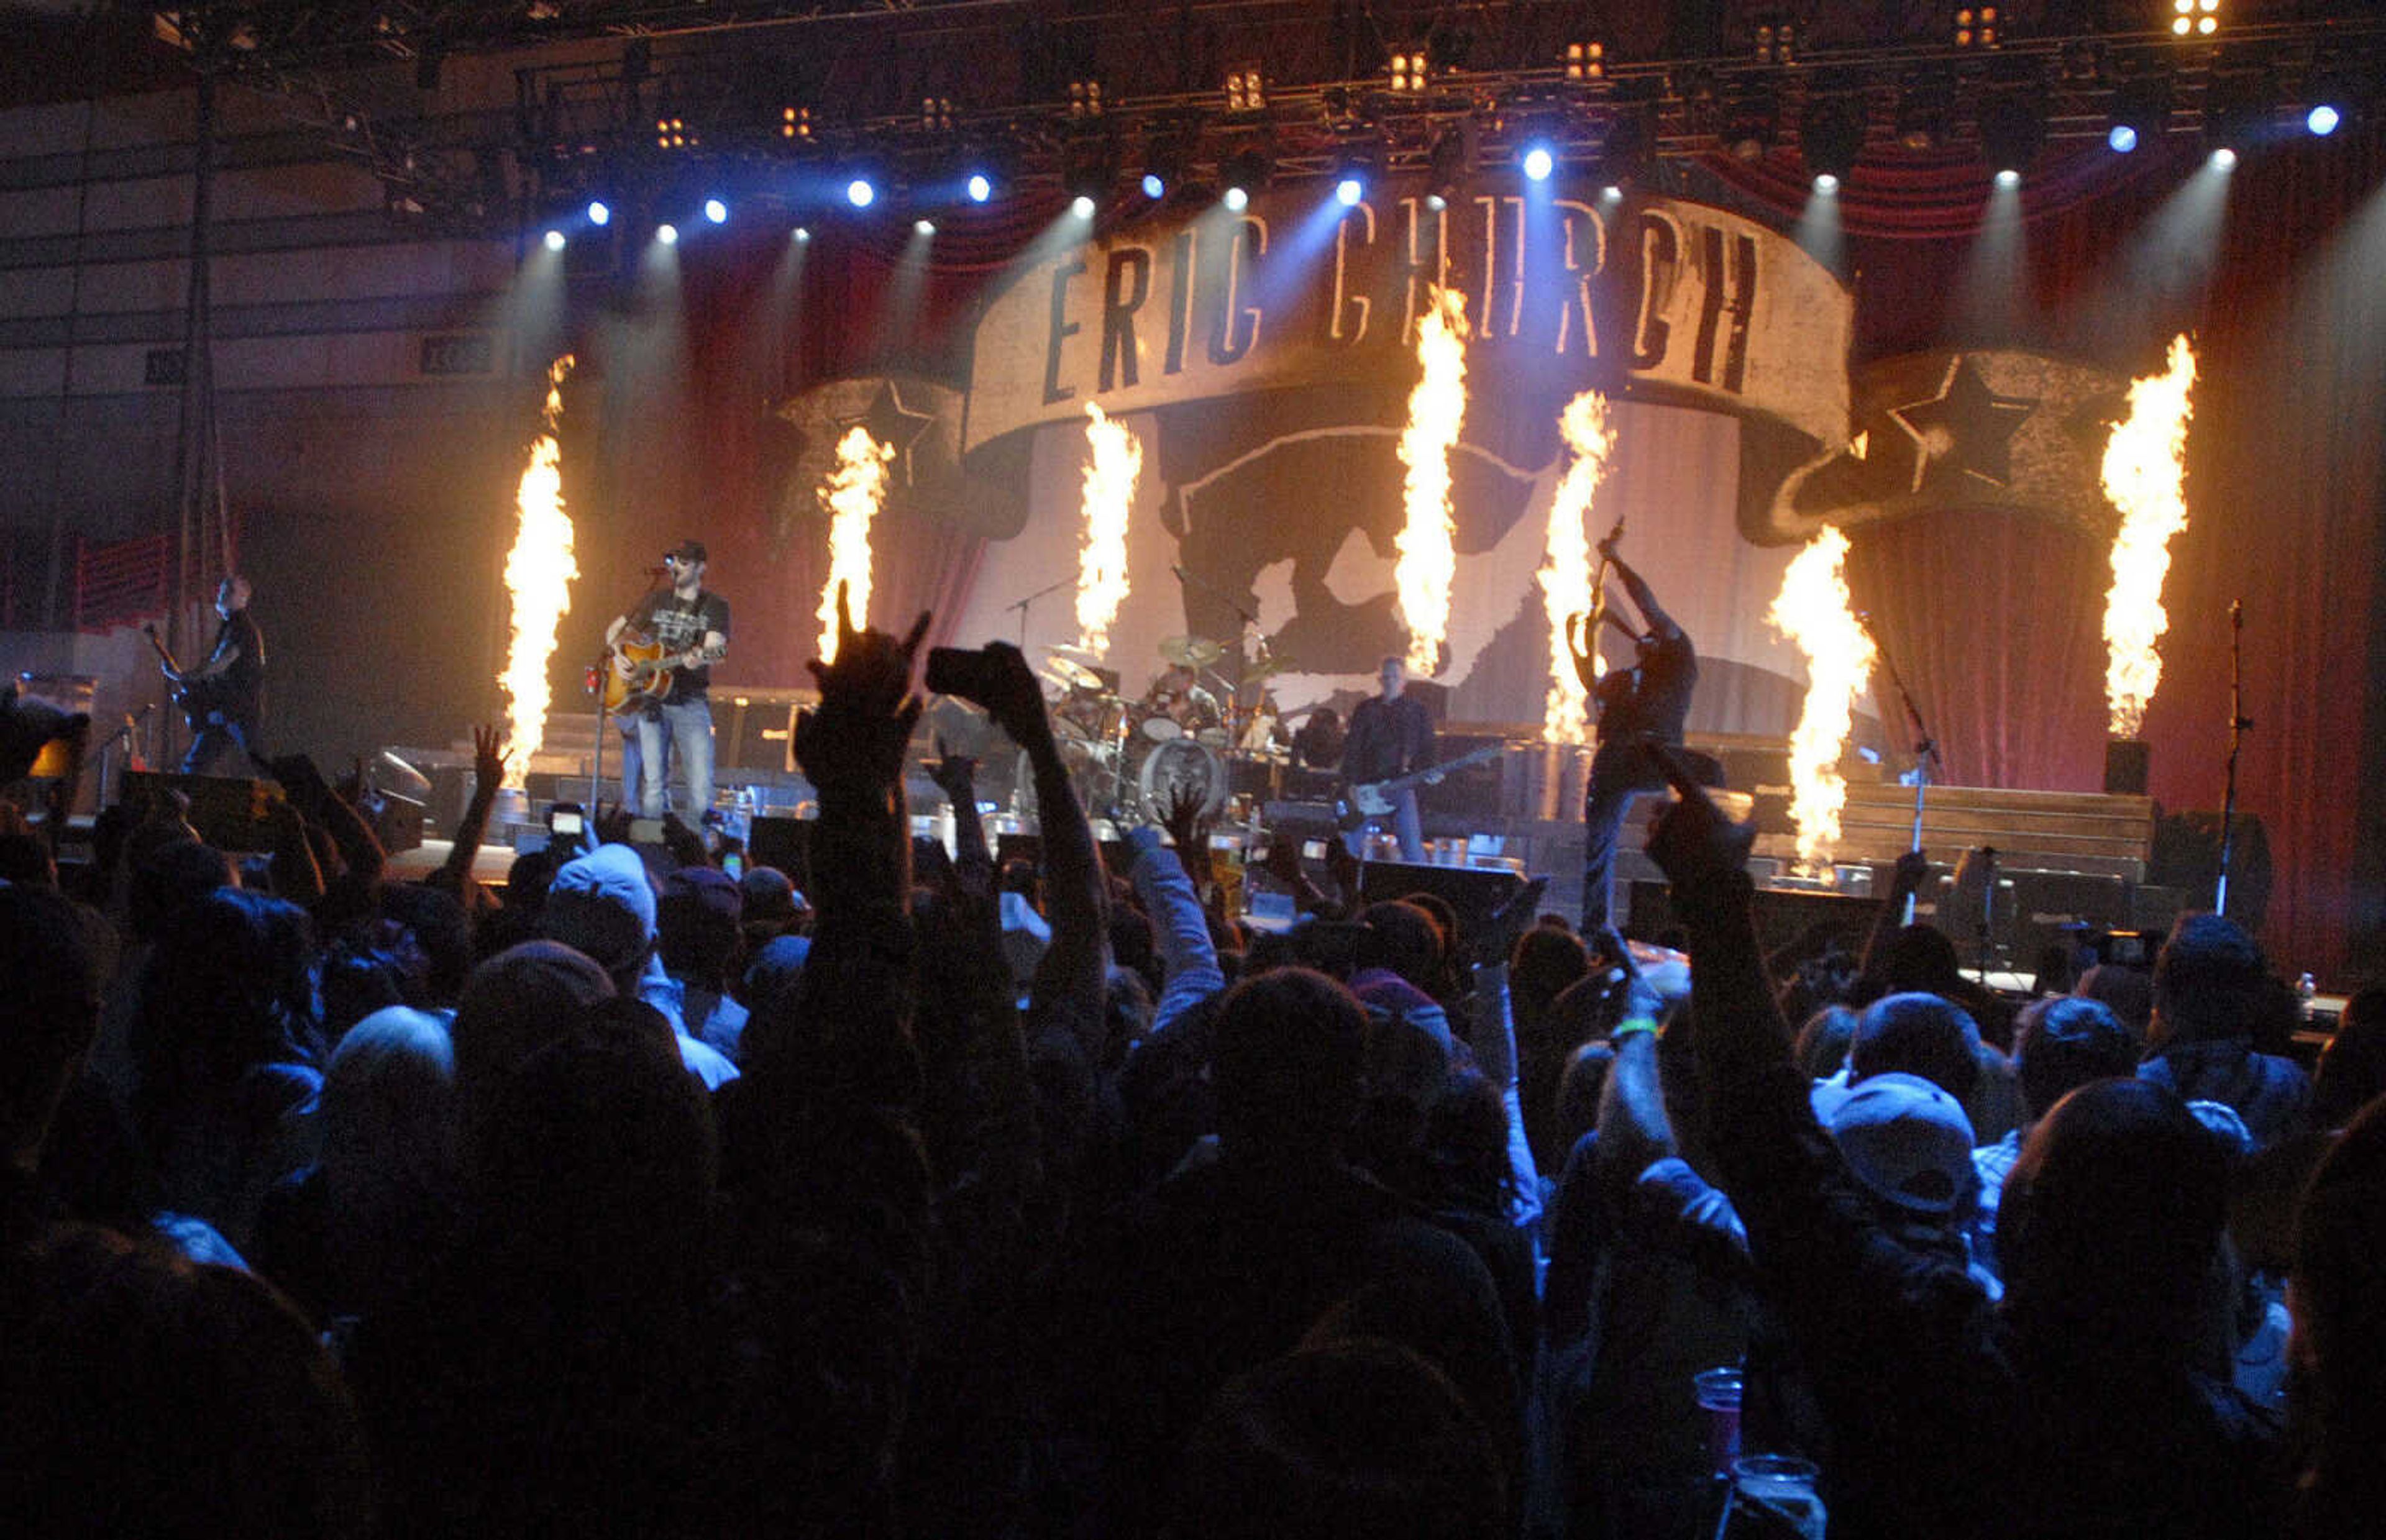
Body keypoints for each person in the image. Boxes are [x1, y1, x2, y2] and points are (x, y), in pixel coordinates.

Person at [1567, 534, 1697, 937]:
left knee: (1685, 833)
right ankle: (1594, 930)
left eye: (1653, 635)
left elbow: (1647, 604)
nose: (1647, 635)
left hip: (1656, 754)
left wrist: (1616, 562)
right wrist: (1578, 643)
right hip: (1618, 759)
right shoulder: (1624, 679)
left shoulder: (1678, 661)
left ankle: (1688, 920)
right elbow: (1592, 683)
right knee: (1598, 844)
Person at [604, 539, 728, 821]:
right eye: (673, 561)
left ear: (700, 568)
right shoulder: (656, 600)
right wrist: (619, 656)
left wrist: (701, 656)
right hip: (651, 702)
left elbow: (716, 647)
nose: (676, 568)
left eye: (684, 562)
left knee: (699, 785)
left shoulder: (714, 606)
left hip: (690, 701)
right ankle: (653, 847)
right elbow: (614, 631)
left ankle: (697, 851)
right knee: (654, 785)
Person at [1340, 657, 1437, 862]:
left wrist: (1431, 770)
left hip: (1400, 786)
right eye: (1386, 677)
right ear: (1380, 680)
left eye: (1395, 677)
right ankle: (1345, 889)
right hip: (1365, 788)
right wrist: (1350, 786)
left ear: (1404, 681)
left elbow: (1427, 747)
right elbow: (1352, 749)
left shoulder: (1417, 711)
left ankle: (1420, 890)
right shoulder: (1365, 710)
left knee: (1412, 848)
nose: (1390, 681)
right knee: (1348, 847)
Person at [167, 574, 265, 775]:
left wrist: (184, 677)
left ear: (243, 598)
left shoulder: (242, 628)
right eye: (222, 590)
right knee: (195, 765)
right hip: (227, 710)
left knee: (259, 764)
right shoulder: (232, 626)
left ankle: (285, 799)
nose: (222, 595)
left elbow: (221, 664)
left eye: (229, 592)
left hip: (240, 711)